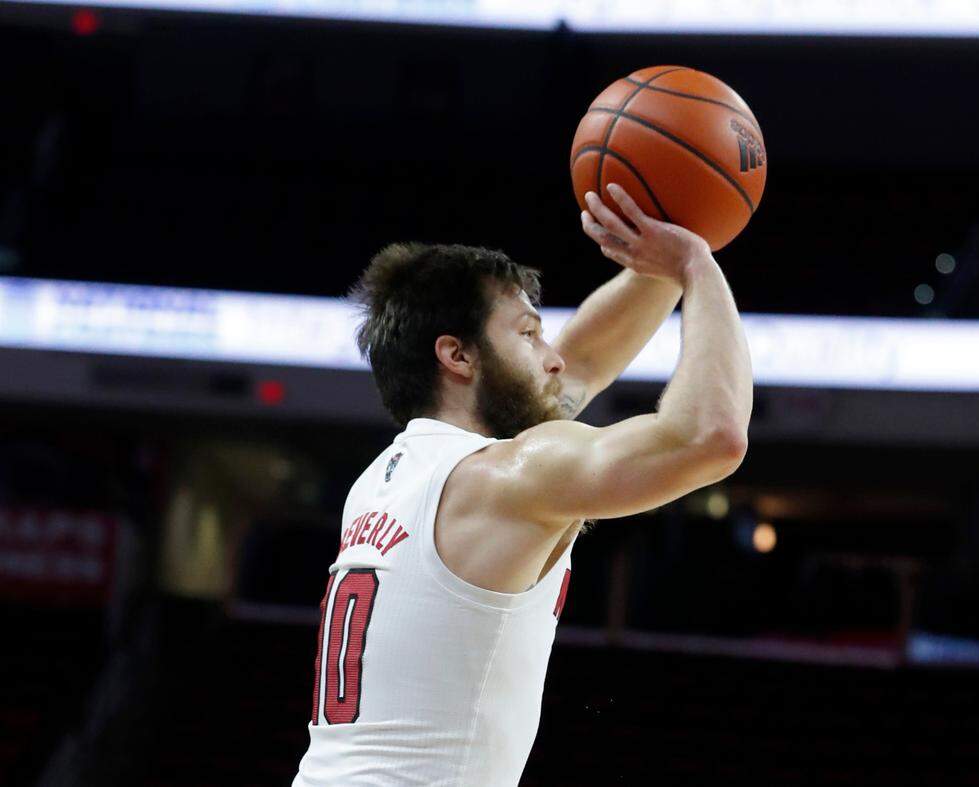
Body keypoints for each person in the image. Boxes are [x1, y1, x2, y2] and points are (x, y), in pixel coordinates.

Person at [293, 183, 752, 786]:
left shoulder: (384, 480)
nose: (553, 357)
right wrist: (697, 265)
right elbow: (711, 436)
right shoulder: (503, 476)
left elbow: (581, 365)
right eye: (529, 335)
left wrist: (661, 265)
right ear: (458, 357)